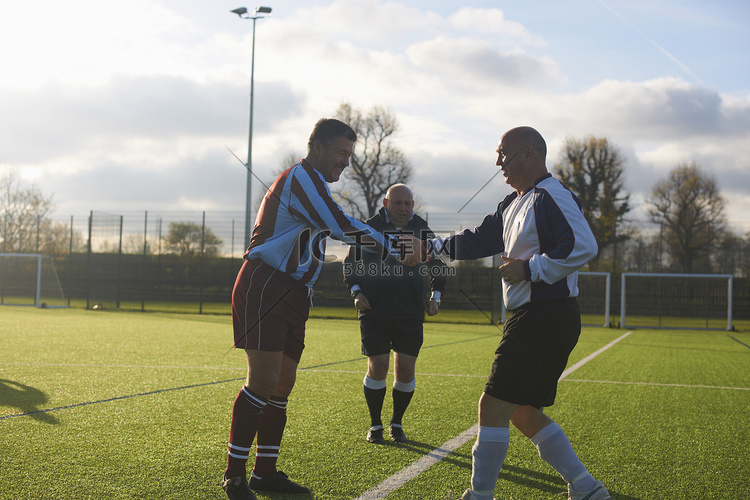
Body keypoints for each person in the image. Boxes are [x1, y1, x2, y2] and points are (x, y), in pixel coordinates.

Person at [221, 118, 423, 500]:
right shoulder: (300, 178)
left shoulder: (314, 184)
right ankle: (234, 476)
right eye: (340, 153)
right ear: (316, 146)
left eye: (349, 154)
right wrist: (392, 244)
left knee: (282, 385)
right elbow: (337, 224)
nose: (346, 162)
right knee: (262, 382)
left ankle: (264, 472)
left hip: (294, 293)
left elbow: (332, 225)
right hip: (265, 284)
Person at [425, 126, 611, 500]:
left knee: (492, 406)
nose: (498, 163)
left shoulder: (550, 196)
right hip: (537, 318)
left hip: (545, 316)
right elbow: (479, 239)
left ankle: (480, 495)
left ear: (529, 153)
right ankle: (586, 488)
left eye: (502, 154)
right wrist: (431, 246)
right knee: (523, 412)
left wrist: (529, 269)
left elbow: (584, 245)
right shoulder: (512, 203)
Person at [343, 183, 448, 444]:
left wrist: (435, 296)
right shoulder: (369, 228)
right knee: (378, 366)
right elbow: (349, 264)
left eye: (408, 203)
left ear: (412, 205)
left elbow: (438, 264)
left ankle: (397, 423)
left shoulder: (422, 229)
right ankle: (375, 424)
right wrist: (357, 292)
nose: (403, 208)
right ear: (385, 203)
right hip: (374, 311)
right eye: (397, 203)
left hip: (410, 312)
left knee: (406, 369)